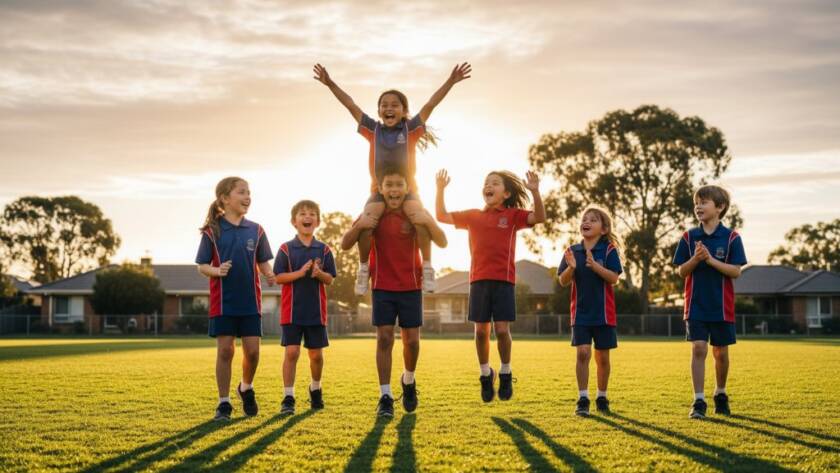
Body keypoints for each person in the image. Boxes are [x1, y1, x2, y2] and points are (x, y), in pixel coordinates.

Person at [314, 62, 470, 295]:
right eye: (384, 105)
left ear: (404, 111)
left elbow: (431, 104)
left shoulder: (411, 129)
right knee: (367, 223)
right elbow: (350, 105)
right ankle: (364, 268)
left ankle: (427, 268)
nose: (389, 108)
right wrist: (329, 83)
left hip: (409, 190)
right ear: (379, 111)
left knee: (419, 218)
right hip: (378, 190)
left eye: (395, 105)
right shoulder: (372, 130)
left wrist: (451, 81)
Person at [342, 164, 447, 417]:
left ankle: (408, 381)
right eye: (389, 185)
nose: (394, 190)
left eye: (399, 185)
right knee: (385, 339)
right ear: (381, 188)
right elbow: (346, 244)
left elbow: (443, 241)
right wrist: (358, 226)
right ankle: (385, 396)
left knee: (411, 342)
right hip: (382, 287)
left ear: (407, 188)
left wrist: (429, 219)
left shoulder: (414, 214)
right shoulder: (372, 214)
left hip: (411, 286)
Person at [435, 168, 544, 402]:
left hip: (504, 282)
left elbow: (539, 217)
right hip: (478, 282)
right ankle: (486, 374)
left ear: (505, 193)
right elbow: (441, 216)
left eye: (495, 183)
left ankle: (505, 371)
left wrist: (535, 192)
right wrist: (440, 189)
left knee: (502, 330)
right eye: (486, 182)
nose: (489, 186)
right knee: (481, 332)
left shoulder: (513, 215)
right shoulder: (473, 216)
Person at [196, 177, 274, 421]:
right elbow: (202, 266)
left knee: (252, 353)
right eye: (241, 192)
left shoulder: (257, 230)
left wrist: (270, 274)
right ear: (224, 199)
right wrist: (217, 271)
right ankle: (224, 403)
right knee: (226, 352)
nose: (247, 196)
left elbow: (263, 262)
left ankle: (246, 387)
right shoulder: (212, 231)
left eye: (249, 192)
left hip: (251, 302)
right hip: (223, 302)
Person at [673, 185, 747, 419]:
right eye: (696, 202)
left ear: (720, 207)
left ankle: (721, 394)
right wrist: (696, 258)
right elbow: (682, 272)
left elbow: (735, 272)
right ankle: (698, 401)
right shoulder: (689, 237)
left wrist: (711, 260)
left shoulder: (732, 238)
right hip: (695, 305)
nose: (698, 206)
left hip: (721, 306)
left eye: (704, 202)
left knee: (720, 353)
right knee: (699, 348)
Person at [558, 206, 622, 416]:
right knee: (583, 353)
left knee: (602, 358)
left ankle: (601, 397)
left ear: (603, 229)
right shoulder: (572, 251)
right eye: (585, 219)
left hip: (604, 314)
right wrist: (572, 268)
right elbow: (562, 281)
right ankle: (583, 398)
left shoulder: (609, 250)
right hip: (581, 314)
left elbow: (613, 278)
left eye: (593, 220)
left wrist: (594, 266)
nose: (587, 222)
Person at [274, 200, 336, 415]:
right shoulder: (286, 249)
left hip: (316, 312)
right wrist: (301, 273)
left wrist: (320, 274)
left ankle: (315, 388)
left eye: (311, 214)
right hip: (291, 312)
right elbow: (279, 277)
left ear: (317, 221)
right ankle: (288, 397)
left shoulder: (324, 250)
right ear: (294, 221)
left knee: (316, 356)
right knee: (292, 352)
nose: (307, 216)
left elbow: (330, 280)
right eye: (302, 213)